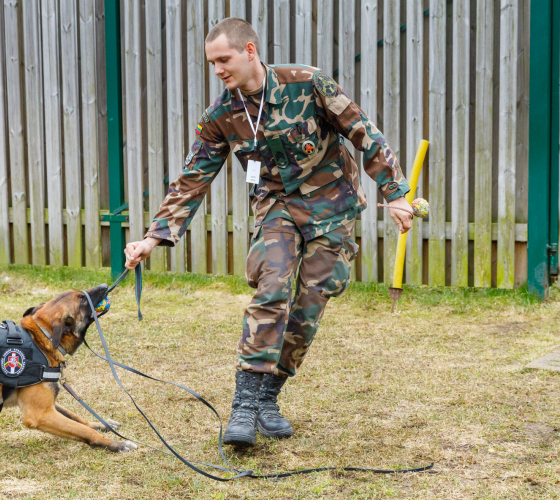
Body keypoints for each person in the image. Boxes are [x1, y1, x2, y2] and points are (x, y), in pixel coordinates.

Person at [124, 17, 413, 448]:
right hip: (276, 206)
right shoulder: (222, 115)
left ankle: (269, 398)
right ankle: (243, 407)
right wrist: (154, 236)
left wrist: (395, 191)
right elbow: (192, 178)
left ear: (250, 51)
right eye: (212, 63)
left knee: (312, 300)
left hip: (331, 205)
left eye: (224, 59)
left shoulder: (308, 83)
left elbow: (363, 132)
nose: (219, 69)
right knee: (272, 286)